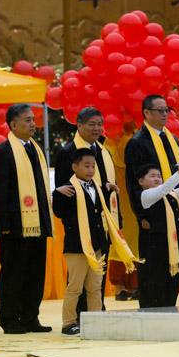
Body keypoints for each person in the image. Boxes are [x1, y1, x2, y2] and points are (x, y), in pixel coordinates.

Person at [52, 148, 138, 335]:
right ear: (74, 167)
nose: (91, 170)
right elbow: (59, 212)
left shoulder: (97, 187)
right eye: (86, 166)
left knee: (94, 287)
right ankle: (68, 323)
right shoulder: (68, 188)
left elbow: (96, 211)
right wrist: (57, 193)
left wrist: (108, 191)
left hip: (97, 245)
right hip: (77, 246)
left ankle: (95, 319)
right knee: (75, 287)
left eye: (93, 166)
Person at [0, 103, 53, 334]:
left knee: (35, 274)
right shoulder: (3, 151)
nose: (33, 124)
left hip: (38, 224)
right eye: (27, 120)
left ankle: (30, 317)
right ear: (13, 125)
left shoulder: (36, 149)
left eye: (33, 119)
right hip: (15, 226)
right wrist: (4, 225)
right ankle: (9, 319)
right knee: (13, 274)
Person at [54, 107, 121, 313]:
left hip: (103, 223)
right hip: (80, 225)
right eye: (91, 124)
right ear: (79, 125)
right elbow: (65, 190)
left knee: (97, 276)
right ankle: (77, 317)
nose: (97, 128)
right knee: (79, 277)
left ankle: (95, 313)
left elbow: (100, 187)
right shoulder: (68, 152)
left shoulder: (103, 150)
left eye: (100, 124)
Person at [135, 162, 179, 308]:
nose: (157, 179)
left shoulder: (169, 194)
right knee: (155, 280)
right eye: (152, 176)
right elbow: (164, 189)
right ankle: (153, 310)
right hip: (155, 246)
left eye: (159, 176)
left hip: (173, 244)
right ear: (141, 182)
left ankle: (169, 307)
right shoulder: (147, 194)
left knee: (172, 279)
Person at [124, 95, 179, 222]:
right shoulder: (137, 142)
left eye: (166, 110)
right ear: (146, 112)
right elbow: (133, 182)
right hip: (153, 212)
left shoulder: (172, 139)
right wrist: (142, 216)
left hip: (176, 207)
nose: (165, 114)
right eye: (160, 110)